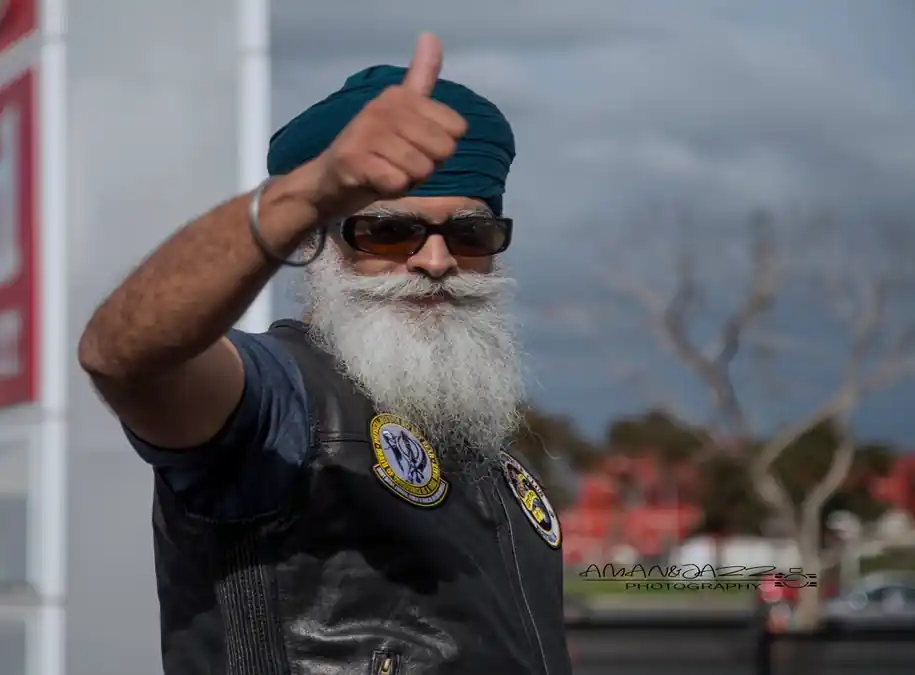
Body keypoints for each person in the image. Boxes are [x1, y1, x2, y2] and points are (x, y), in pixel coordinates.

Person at [79, 33, 571, 675]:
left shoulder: (486, 445)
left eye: (470, 233)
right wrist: (307, 192)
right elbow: (123, 357)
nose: (435, 260)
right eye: (387, 231)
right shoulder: (281, 401)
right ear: (315, 241)